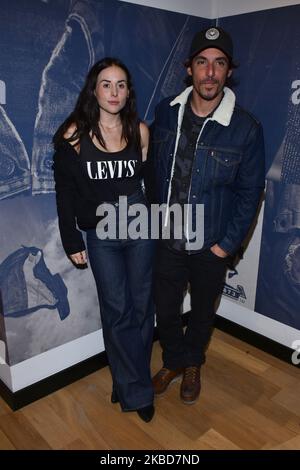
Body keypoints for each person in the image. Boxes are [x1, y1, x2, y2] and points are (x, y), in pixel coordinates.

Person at [148, 27, 265, 405]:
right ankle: (173, 360)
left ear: (229, 71)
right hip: (166, 239)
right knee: (165, 310)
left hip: (209, 243)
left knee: (201, 313)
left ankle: (193, 362)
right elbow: (151, 172)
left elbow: (250, 193)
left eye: (219, 63)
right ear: (189, 69)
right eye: (202, 62)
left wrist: (225, 246)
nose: (210, 72)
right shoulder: (165, 112)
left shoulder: (246, 128)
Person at [52, 57, 155, 422]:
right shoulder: (74, 135)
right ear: (93, 89)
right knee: (117, 310)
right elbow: (64, 192)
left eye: (121, 84)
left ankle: (128, 379)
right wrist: (70, 240)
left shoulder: (140, 132)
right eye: (107, 84)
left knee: (143, 308)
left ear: (129, 92)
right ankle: (138, 389)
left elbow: (149, 186)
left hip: (141, 230)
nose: (114, 92)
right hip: (101, 235)